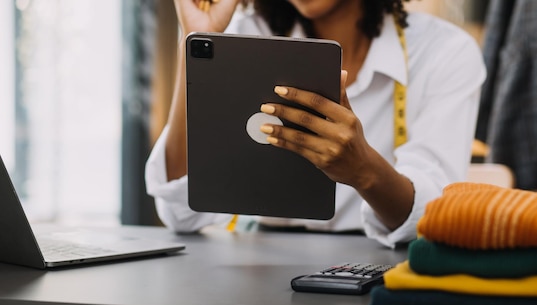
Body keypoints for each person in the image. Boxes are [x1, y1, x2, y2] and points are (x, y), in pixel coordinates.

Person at [145, 0, 486, 248]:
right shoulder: (242, 36)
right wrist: (194, 45)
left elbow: (431, 219)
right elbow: (180, 215)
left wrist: (364, 169)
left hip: (379, 265)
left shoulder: (443, 52)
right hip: (257, 267)